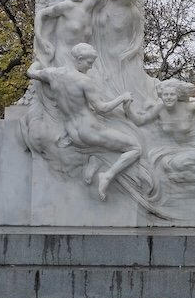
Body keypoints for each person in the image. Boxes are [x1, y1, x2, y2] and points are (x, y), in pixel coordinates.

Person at [28, 43, 140, 200]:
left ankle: (94, 160)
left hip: (72, 133)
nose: (90, 67)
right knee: (134, 147)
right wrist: (122, 97)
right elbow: (102, 108)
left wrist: (39, 61)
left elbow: (31, 72)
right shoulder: (83, 81)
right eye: (89, 63)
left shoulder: (52, 73)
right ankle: (107, 176)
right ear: (79, 59)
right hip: (89, 129)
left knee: (103, 145)